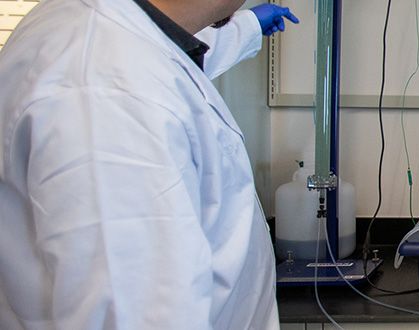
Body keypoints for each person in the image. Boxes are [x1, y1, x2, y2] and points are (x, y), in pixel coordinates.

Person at [0, 0, 298, 328]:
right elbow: (133, 315)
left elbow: (171, 71)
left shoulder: (118, 45)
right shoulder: (108, 92)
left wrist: (247, 28)